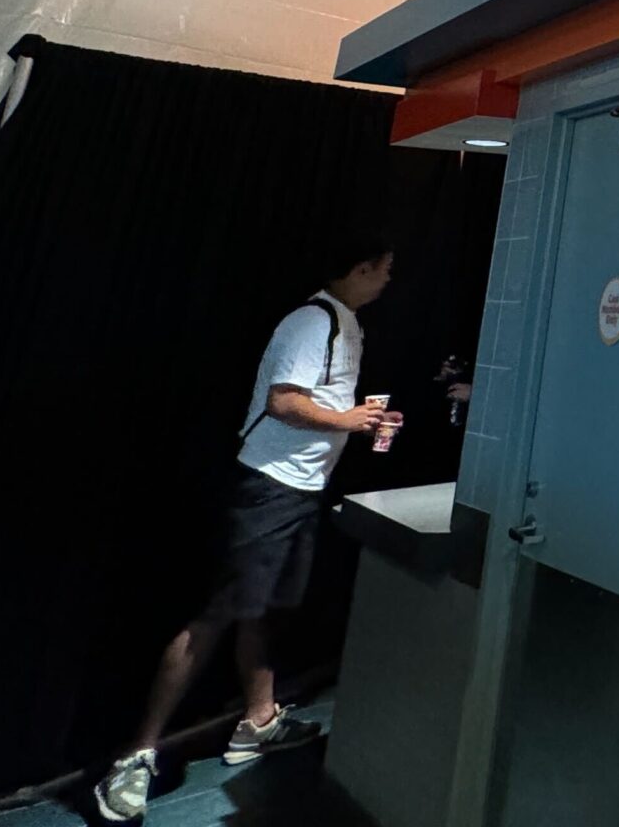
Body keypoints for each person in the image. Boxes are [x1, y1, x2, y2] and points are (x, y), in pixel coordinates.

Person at [95, 241, 396, 823]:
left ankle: (257, 721)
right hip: (269, 488)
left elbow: (320, 400)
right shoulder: (311, 322)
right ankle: (134, 757)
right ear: (359, 267)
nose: (387, 280)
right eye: (383, 269)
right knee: (215, 616)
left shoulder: (347, 324)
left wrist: (361, 418)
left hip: (303, 489)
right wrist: (350, 420)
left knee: (264, 611)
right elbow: (285, 402)